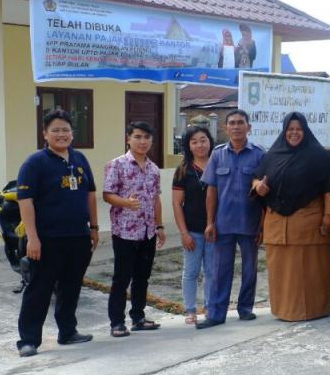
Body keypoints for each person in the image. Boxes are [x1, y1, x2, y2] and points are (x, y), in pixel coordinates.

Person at [15, 110, 99, 357]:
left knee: (71, 287)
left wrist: (94, 228)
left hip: (78, 236)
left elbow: (90, 195)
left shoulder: (80, 159)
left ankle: (68, 332)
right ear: (45, 134)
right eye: (55, 130)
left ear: (72, 133)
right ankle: (28, 340)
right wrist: (33, 238)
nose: (61, 134)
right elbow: (25, 201)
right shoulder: (35, 162)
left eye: (66, 130)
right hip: (46, 239)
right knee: (39, 289)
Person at [253, 113, 330, 321]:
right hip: (277, 225)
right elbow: (256, 177)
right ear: (284, 131)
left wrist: (329, 216)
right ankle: (283, 310)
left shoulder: (319, 156)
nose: (294, 133)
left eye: (298, 129)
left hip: (308, 223)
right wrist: (258, 186)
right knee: (281, 271)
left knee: (308, 270)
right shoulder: (273, 155)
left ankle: (313, 310)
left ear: (305, 131)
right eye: (290, 129)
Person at [200, 109, 266, 329]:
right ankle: (216, 314)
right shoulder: (218, 155)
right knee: (220, 270)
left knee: (249, 269)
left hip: (250, 222)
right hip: (223, 223)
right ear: (225, 127)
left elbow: (266, 194)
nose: (236, 127)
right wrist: (210, 222)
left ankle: (245, 308)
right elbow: (211, 190)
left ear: (249, 127)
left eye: (240, 123)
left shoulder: (259, 155)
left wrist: (262, 225)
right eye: (232, 123)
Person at [102, 121, 167, 338]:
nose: (142, 141)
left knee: (142, 277)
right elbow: (107, 194)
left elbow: (156, 199)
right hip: (125, 232)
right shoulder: (117, 165)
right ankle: (117, 322)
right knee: (122, 278)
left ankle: (138, 317)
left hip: (148, 232)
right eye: (137, 136)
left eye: (147, 137)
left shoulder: (154, 169)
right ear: (128, 139)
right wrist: (125, 203)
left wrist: (159, 225)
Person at [172, 126, 216, 325]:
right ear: (188, 146)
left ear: (210, 142)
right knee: (191, 272)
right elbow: (176, 203)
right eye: (194, 141)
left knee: (211, 272)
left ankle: (210, 307)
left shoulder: (218, 164)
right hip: (192, 231)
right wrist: (184, 233)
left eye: (203, 140)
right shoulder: (183, 170)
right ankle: (190, 310)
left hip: (214, 230)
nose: (200, 145)